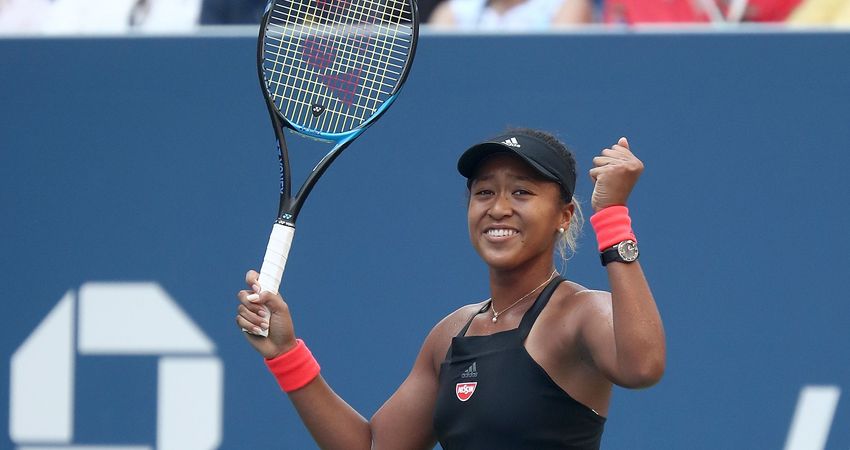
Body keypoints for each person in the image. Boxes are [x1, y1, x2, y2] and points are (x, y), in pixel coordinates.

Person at [236, 128, 666, 449]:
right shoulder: (452, 335)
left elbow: (643, 366)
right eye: (484, 192)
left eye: (521, 191)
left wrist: (611, 215)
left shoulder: (581, 313)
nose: (498, 208)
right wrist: (286, 353)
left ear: (564, 215)